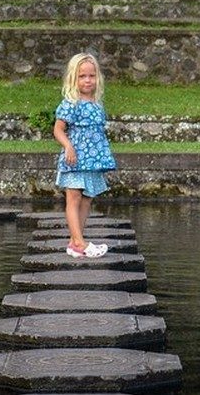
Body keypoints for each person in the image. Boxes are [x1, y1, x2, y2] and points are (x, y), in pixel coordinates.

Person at [52, 53, 115, 258]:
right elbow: (58, 130)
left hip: (92, 161)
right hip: (76, 159)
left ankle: (74, 242)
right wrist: (68, 147)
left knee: (87, 198)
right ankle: (80, 242)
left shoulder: (97, 104)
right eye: (82, 76)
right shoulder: (71, 102)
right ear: (73, 78)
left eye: (91, 76)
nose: (88, 80)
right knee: (74, 197)